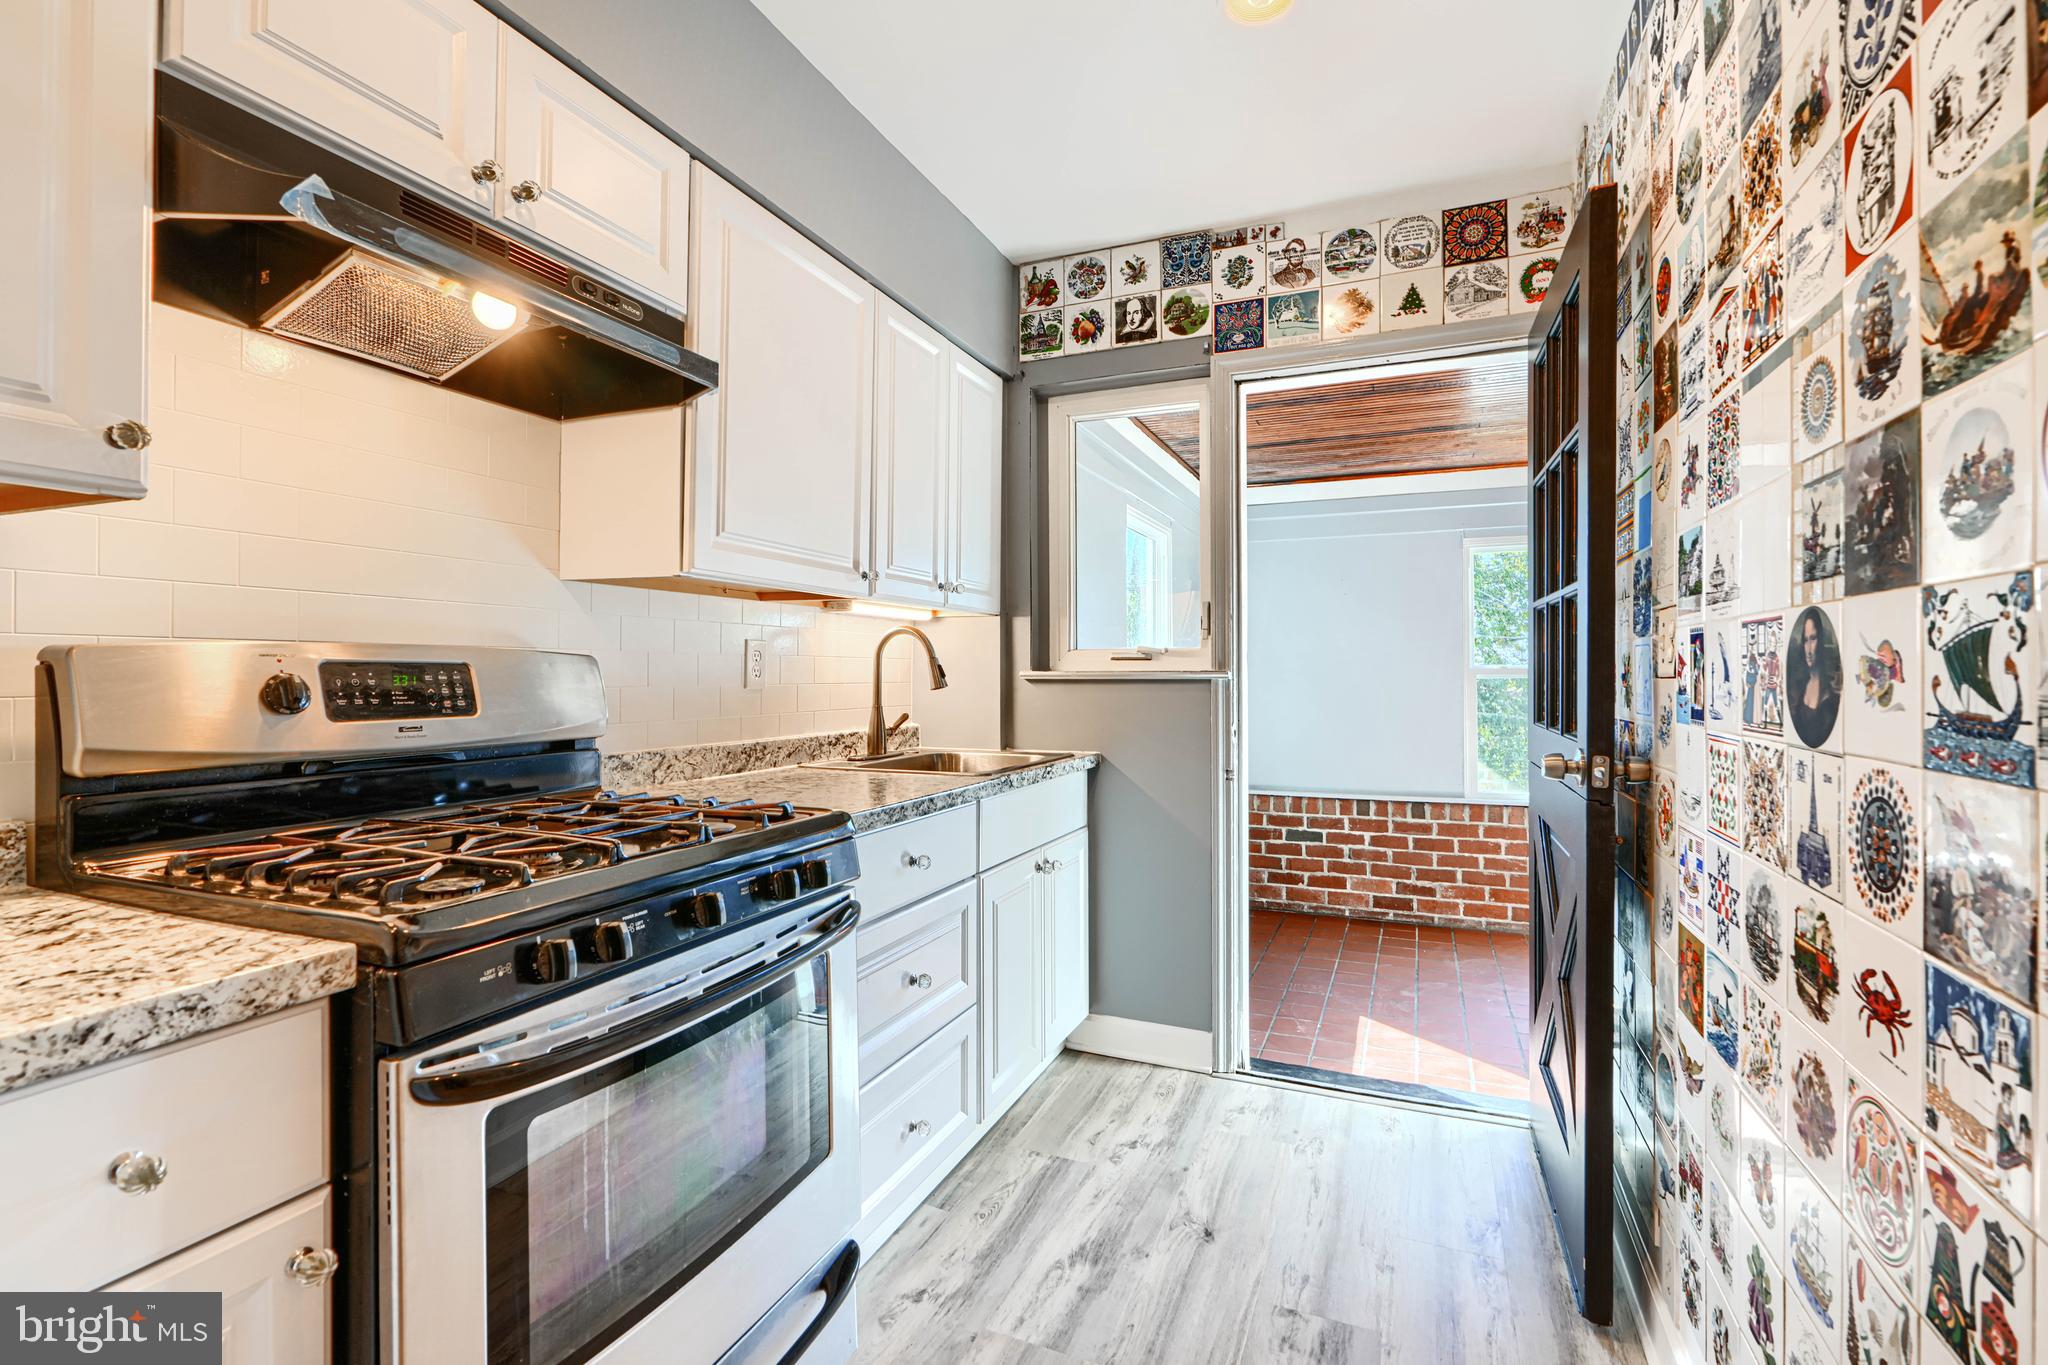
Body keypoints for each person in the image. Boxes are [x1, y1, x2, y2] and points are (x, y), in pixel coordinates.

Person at [1788, 608, 1841, 746]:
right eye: (1806, 640)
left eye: (1813, 639)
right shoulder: (1799, 687)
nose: (1809, 650)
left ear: (1821, 640)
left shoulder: (1829, 693)